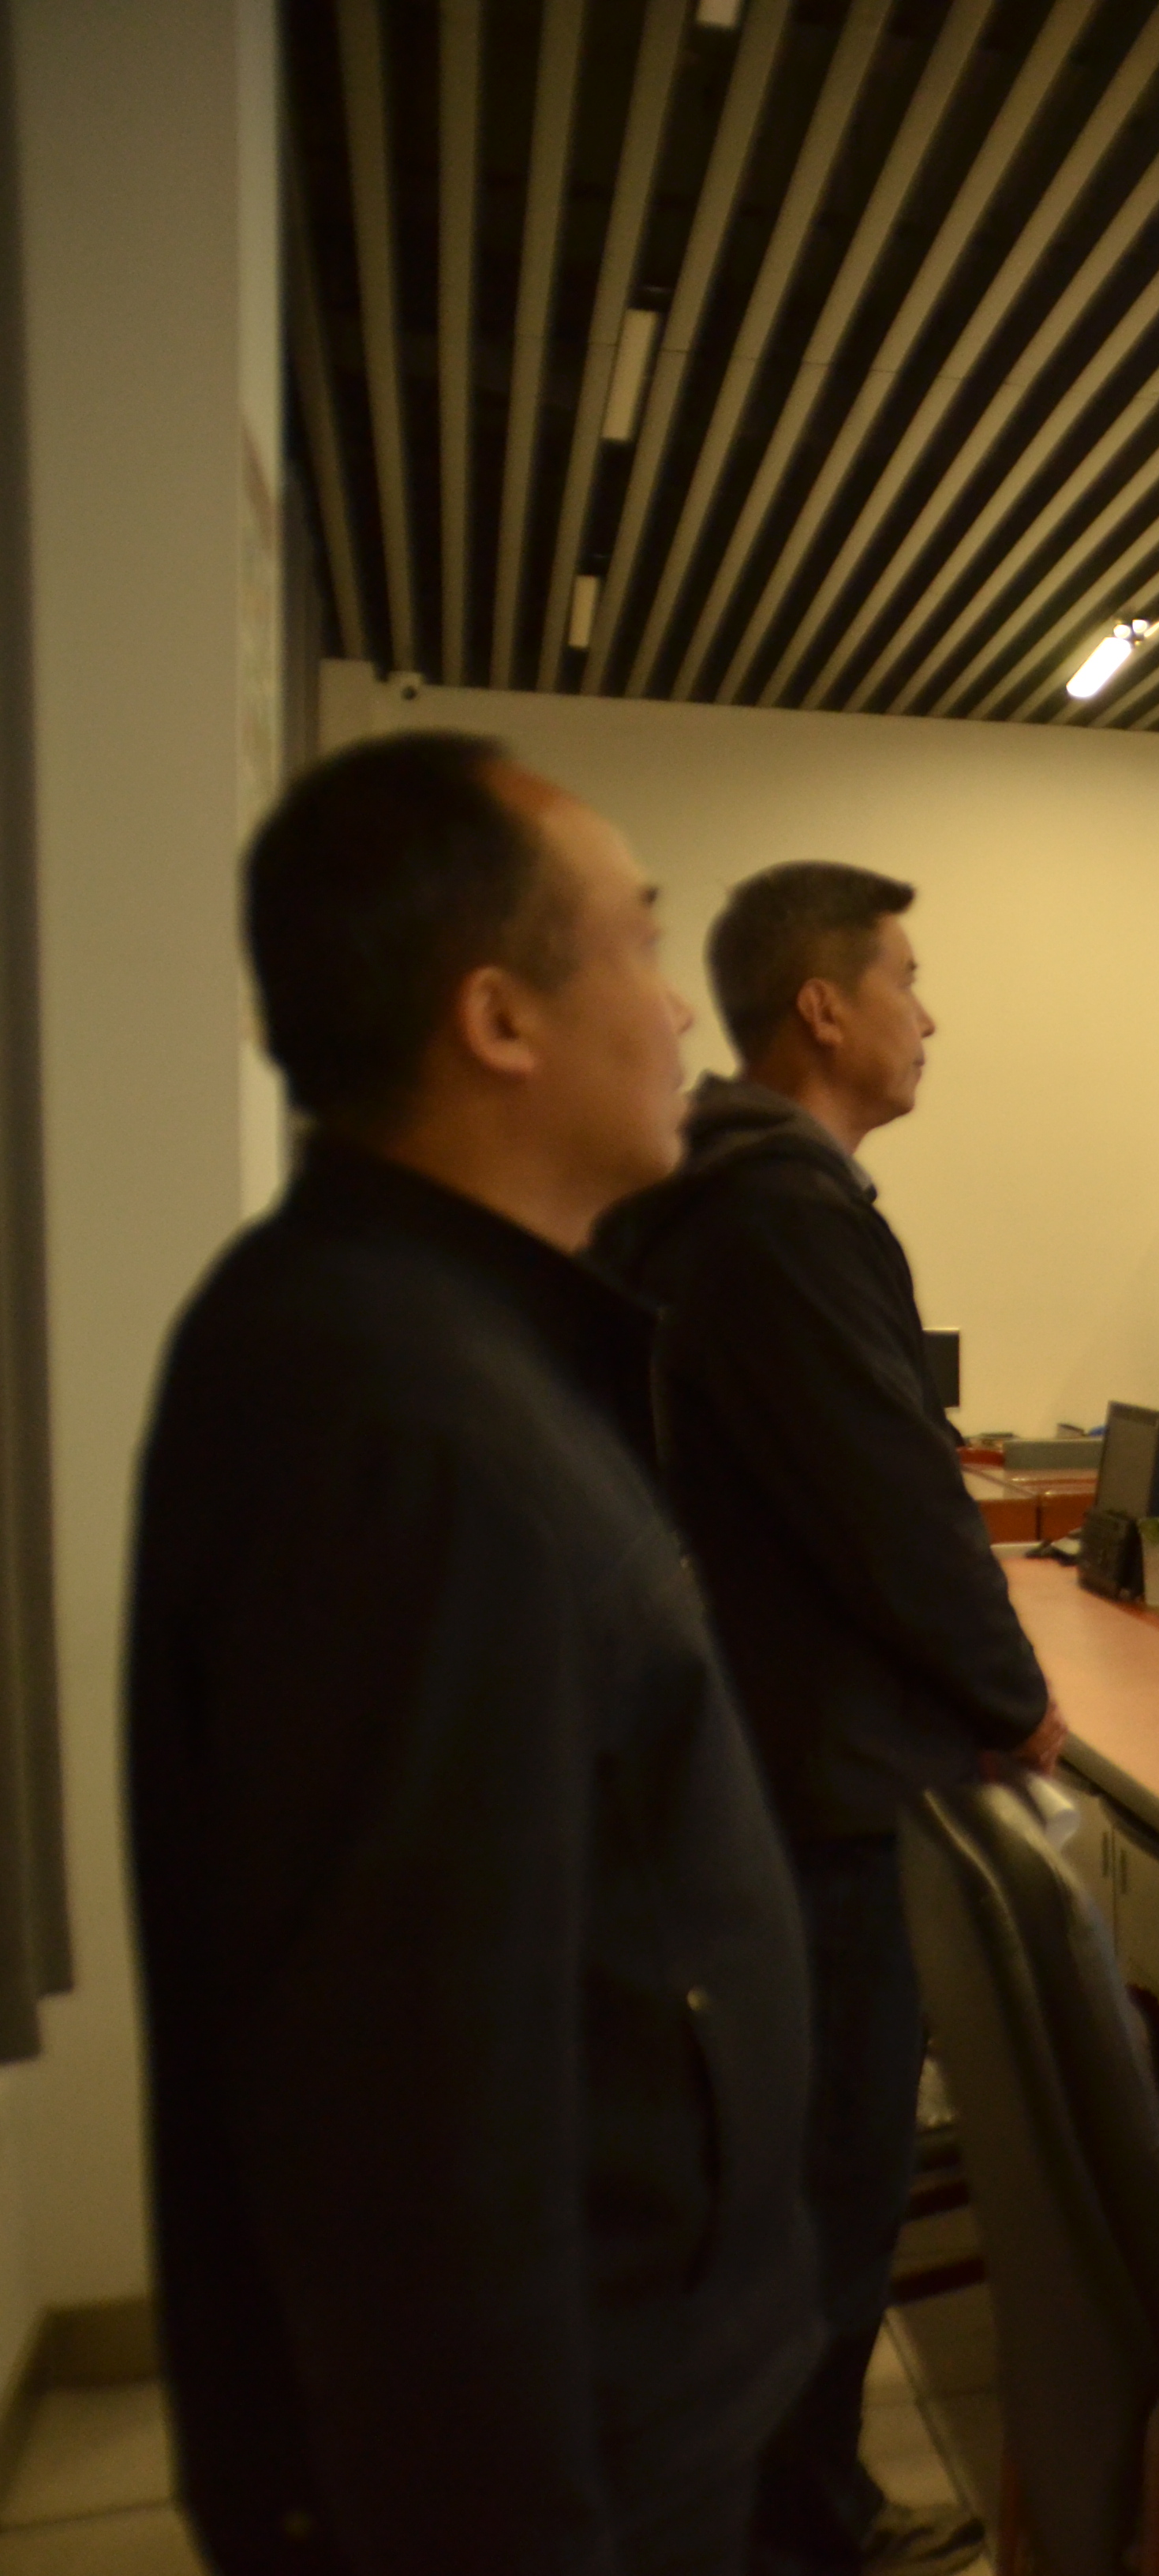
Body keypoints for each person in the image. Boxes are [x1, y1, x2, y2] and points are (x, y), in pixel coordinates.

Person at [129, 733, 814, 2574]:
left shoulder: (451, 1347)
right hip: (575, 2464)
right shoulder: (399, 1427)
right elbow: (415, 2125)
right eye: (641, 948)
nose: (680, 1015)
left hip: (644, 2398)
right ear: (500, 1018)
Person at [594, 863, 1057, 2576]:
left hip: (759, 1769)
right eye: (906, 980)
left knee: (800, 2174)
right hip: (823, 1792)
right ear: (824, 1008)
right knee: (828, 2177)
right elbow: (888, 1501)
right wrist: (1016, 1701)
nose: (929, 1016)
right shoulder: (781, 1210)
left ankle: (788, 2510)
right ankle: (803, 2530)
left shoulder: (722, 1194)